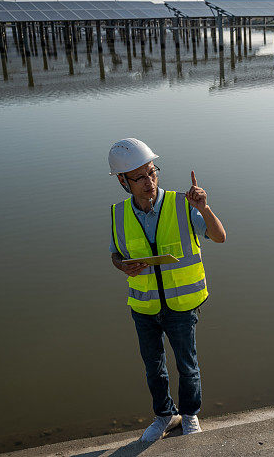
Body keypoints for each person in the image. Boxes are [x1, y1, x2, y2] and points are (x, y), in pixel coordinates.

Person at [108, 138, 226, 442]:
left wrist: (204, 208)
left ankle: (189, 415)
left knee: (187, 366)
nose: (149, 182)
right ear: (122, 181)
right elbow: (116, 254)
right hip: (144, 307)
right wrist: (123, 265)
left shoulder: (181, 204)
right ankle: (164, 416)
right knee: (154, 370)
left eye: (152, 172)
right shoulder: (119, 215)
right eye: (140, 177)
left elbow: (220, 236)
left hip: (182, 305)